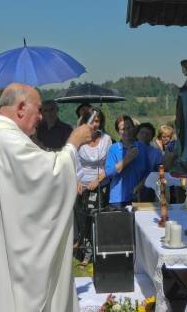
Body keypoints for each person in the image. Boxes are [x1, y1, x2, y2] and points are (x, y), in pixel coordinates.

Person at [0, 83, 92, 312]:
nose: (40, 117)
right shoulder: (6, 140)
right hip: (12, 256)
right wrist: (74, 142)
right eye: (38, 109)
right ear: (21, 107)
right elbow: (50, 176)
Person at [74, 109, 112, 267]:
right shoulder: (79, 138)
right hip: (81, 186)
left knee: (98, 220)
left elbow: (109, 164)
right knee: (83, 221)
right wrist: (77, 180)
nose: (94, 124)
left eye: (97, 121)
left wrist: (97, 180)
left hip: (100, 184)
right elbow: (73, 159)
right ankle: (86, 254)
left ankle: (100, 254)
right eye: (91, 120)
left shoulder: (106, 139)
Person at [105, 115, 151, 206]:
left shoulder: (142, 147)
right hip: (118, 199)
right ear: (118, 132)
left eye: (129, 128)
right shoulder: (113, 149)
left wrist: (142, 184)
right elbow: (109, 173)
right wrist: (127, 159)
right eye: (122, 129)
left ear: (134, 128)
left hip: (139, 197)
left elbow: (149, 172)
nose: (126, 131)